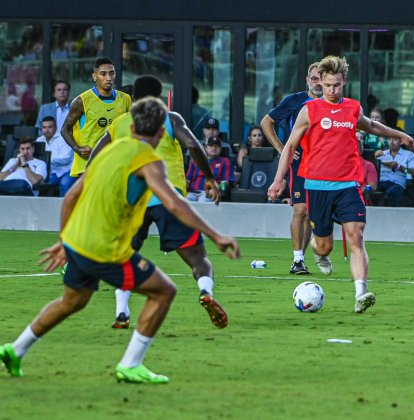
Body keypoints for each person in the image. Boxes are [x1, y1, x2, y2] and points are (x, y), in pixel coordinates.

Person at [0, 97, 239, 383]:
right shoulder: (148, 160)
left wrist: (65, 239)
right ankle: (130, 363)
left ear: (132, 125)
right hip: (105, 249)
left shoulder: (108, 152)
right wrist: (215, 235)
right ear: (162, 132)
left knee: (71, 302)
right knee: (164, 291)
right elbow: (175, 205)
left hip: (78, 240)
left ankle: (15, 349)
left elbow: (72, 197)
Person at [267, 55, 414, 313]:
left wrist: (399, 134)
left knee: (356, 236)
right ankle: (320, 253)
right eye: (327, 85)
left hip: (348, 185)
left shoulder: (353, 108)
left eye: (337, 85)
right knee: (324, 244)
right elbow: (290, 146)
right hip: (316, 186)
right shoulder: (309, 110)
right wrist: (279, 179)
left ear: (344, 82)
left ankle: (361, 292)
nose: (332, 90)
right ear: (320, 83)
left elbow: (372, 127)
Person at [90, 75, 224, 330]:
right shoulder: (171, 118)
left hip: (131, 198)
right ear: (159, 97)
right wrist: (209, 177)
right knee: (198, 258)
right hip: (167, 195)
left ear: (133, 97)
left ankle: (122, 311)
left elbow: (96, 159)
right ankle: (206, 292)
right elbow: (193, 145)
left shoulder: (119, 124)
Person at [260, 61, 322, 275]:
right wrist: (281, 148)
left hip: (324, 164)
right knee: (301, 210)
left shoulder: (333, 103)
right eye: (314, 78)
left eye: (321, 79)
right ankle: (298, 260)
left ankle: (313, 250)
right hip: (300, 163)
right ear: (307, 80)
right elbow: (266, 122)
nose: (318, 83)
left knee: (315, 214)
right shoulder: (295, 101)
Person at [61, 57, 132, 179]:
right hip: (88, 163)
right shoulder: (81, 101)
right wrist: (77, 148)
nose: (108, 78)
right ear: (94, 76)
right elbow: (64, 129)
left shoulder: (126, 99)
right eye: (103, 74)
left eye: (111, 73)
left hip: (114, 162)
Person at [186, 136, 235, 202]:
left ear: (221, 149)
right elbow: (187, 180)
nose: (214, 148)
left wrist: (216, 189)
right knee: (185, 201)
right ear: (206, 147)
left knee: (203, 201)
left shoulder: (225, 161)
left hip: (209, 193)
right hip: (192, 192)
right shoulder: (196, 160)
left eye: (217, 146)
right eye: (211, 146)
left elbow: (226, 182)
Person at [35, 116, 75, 196]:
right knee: (40, 183)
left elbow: (66, 158)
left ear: (56, 128)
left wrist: (47, 160)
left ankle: (63, 208)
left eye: (50, 127)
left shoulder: (64, 138)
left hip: (66, 171)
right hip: (50, 172)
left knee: (64, 185)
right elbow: (36, 159)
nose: (47, 130)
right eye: (44, 127)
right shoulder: (39, 140)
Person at [376, 138, 414, 207]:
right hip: (381, 182)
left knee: (392, 192)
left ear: (401, 142)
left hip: (397, 183)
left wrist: (399, 167)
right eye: (389, 139)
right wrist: (375, 156)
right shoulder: (382, 153)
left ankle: (391, 215)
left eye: (395, 139)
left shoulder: (409, 155)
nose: (391, 142)